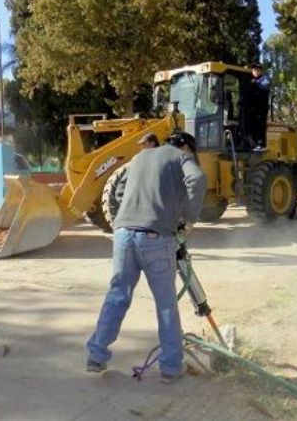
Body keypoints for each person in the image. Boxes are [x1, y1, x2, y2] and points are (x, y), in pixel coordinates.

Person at [86, 131, 207, 383]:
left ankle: (96, 356)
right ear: (185, 146)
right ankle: (171, 368)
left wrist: (127, 216)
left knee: (118, 295)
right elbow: (197, 180)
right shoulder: (181, 156)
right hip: (155, 238)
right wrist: (187, 219)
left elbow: (117, 188)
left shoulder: (140, 158)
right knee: (165, 303)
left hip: (122, 235)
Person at [243, 63, 271, 149]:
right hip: (252, 109)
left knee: (259, 126)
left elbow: (261, 87)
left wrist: (253, 84)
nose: (255, 71)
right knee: (249, 126)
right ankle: (250, 144)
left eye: (257, 70)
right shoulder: (250, 81)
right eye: (254, 70)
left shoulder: (265, 80)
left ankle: (260, 145)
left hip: (260, 109)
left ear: (260, 71)